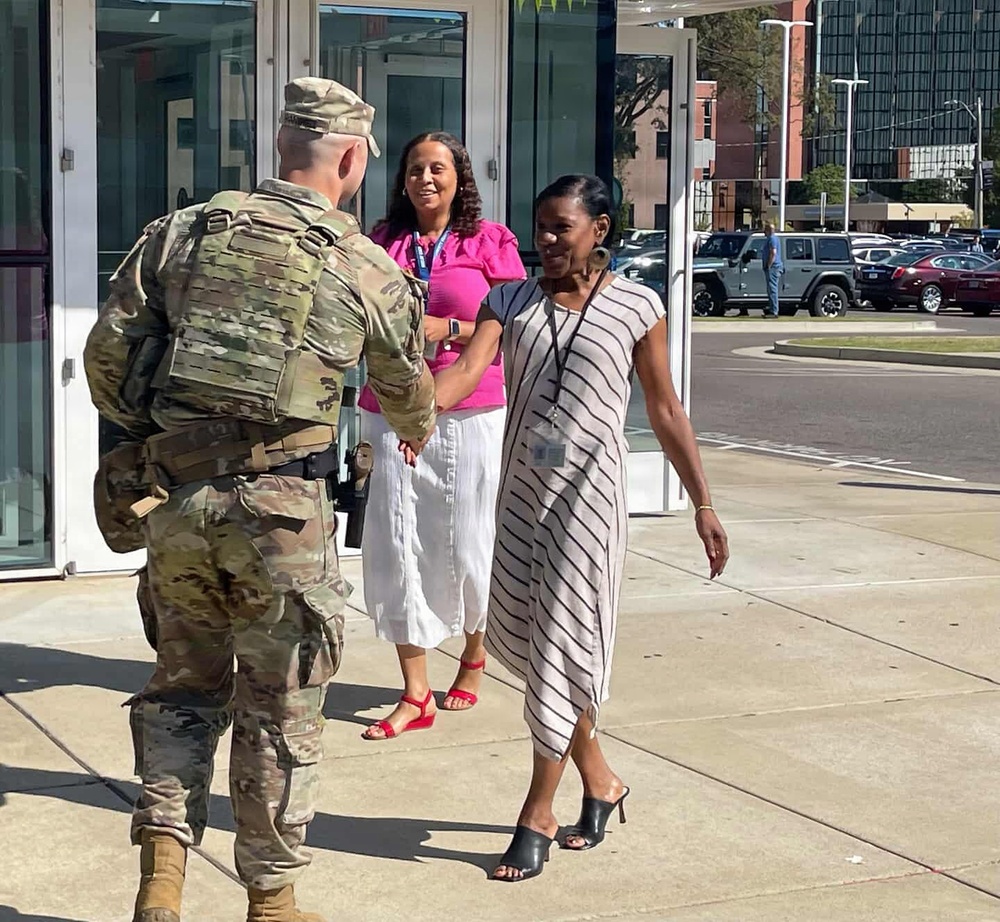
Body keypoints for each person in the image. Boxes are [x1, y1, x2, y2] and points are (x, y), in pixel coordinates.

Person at [84, 77, 436, 922]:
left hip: (177, 506)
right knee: (281, 709)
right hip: (285, 518)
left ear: (280, 149)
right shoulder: (361, 264)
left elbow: (106, 357)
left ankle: (162, 880)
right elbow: (407, 391)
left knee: (181, 687)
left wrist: (170, 435)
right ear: (350, 158)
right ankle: (271, 903)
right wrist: (414, 421)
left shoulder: (183, 234)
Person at [422, 174, 729, 882]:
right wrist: (419, 413)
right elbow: (469, 370)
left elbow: (665, 408)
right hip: (524, 495)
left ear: (601, 230)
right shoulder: (511, 299)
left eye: (562, 227)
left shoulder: (636, 306)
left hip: (590, 502)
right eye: (540, 227)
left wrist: (703, 505)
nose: (548, 241)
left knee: (562, 641)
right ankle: (602, 781)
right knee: (530, 646)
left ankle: (536, 811)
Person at [358, 132, 525, 739]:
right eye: (415, 169)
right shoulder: (381, 244)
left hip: (472, 411)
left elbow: (515, 320)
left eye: (438, 168)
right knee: (396, 542)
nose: (426, 179)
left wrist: (447, 327)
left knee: (468, 540)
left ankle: (474, 659)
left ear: (460, 178)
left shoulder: (491, 243)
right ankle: (415, 691)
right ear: (401, 180)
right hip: (391, 408)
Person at [762, 222, 783, 317]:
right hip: (773, 267)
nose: (764, 232)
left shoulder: (772, 239)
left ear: (768, 230)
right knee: (770, 289)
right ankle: (771, 308)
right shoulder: (773, 239)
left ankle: (774, 311)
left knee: (772, 289)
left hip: (773, 267)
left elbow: (773, 253)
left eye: (765, 230)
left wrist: (768, 265)